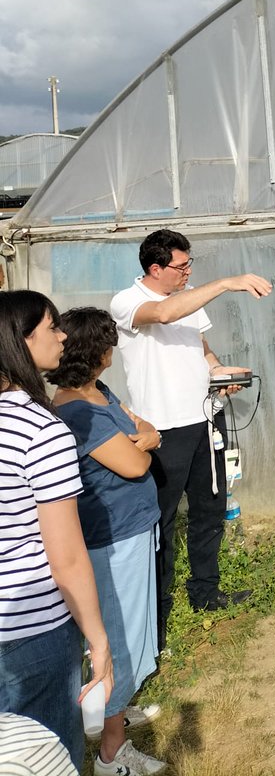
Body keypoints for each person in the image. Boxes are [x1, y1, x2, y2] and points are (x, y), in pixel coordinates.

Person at [109, 229, 272, 648]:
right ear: (155, 268)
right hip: (162, 429)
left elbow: (199, 347)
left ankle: (205, 591)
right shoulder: (126, 302)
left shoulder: (189, 296)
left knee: (209, 508)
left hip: (205, 418)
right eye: (181, 266)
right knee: (160, 521)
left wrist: (221, 374)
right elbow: (163, 316)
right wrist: (226, 283)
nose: (189, 272)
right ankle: (155, 614)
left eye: (190, 264)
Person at [0, 290, 113, 770]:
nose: (63, 335)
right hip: (31, 627)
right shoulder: (39, 429)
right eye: (51, 327)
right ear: (18, 343)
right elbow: (64, 556)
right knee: (45, 757)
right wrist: (99, 640)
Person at [49, 307, 164, 776]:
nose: (114, 350)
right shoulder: (77, 410)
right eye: (109, 343)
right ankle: (112, 753)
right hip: (111, 540)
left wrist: (140, 440)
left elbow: (147, 431)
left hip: (132, 528)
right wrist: (139, 442)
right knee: (117, 636)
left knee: (131, 630)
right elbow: (136, 463)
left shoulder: (97, 392)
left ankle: (109, 711)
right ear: (95, 352)